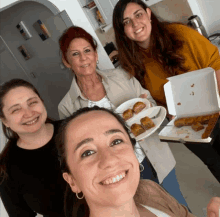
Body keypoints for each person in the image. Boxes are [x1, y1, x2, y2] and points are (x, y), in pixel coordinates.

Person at [57, 26, 189, 208]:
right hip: (117, 174)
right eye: (75, 54)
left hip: (155, 159)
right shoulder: (66, 106)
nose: (84, 58)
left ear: (96, 55)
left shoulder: (121, 76)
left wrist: (148, 105)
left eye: (87, 51)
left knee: (179, 207)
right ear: (67, 61)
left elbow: (149, 101)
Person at [112, 0, 220, 183]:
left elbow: (216, 64)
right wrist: (167, 111)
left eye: (138, 15)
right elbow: (156, 100)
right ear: (122, 31)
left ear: (148, 13)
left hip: (216, 110)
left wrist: (211, 100)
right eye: (126, 22)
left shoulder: (180, 34)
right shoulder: (132, 63)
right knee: (215, 163)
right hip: (187, 126)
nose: (135, 24)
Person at [55, 106, 220, 217]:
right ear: (72, 180)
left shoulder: (150, 190)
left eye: (116, 141)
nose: (110, 160)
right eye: (87, 152)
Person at [0, 79, 66, 217]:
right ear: (5, 120)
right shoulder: (6, 170)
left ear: (42, 102)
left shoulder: (75, 128)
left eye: (32, 102)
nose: (29, 113)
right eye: (16, 109)